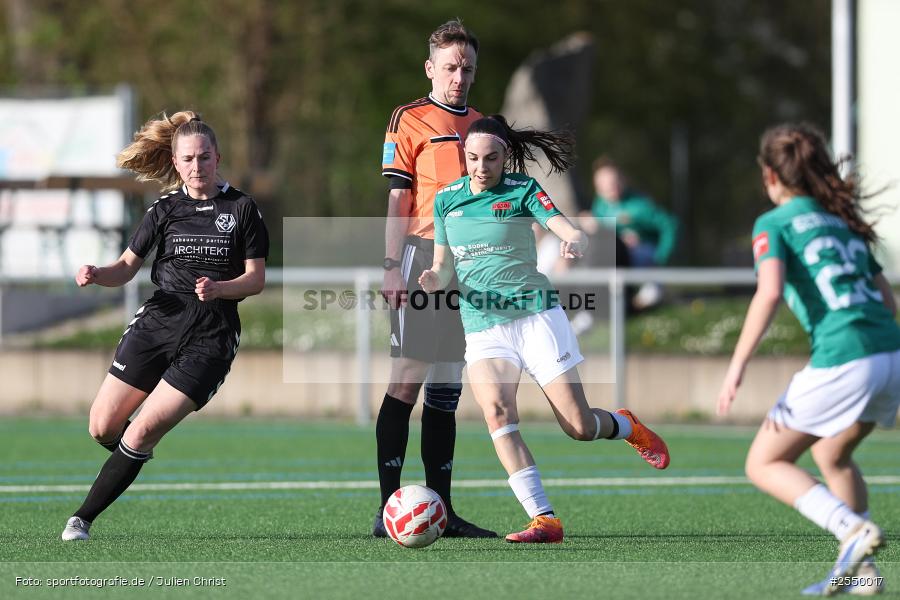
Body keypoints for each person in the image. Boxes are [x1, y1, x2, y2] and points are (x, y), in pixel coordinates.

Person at [419, 114, 670, 543]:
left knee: (579, 427)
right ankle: (544, 518)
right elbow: (444, 265)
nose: (482, 167)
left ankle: (625, 425)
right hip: (483, 327)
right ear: (465, 156)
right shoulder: (447, 200)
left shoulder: (522, 190)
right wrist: (434, 279)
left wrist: (576, 237)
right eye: (474, 158)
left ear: (505, 157)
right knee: (497, 412)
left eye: (492, 158)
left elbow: (561, 223)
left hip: (536, 317)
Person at [60, 111, 269, 541]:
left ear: (218, 158)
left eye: (205, 158)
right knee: (101, 427)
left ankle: (81, 519)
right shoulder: (165, 209)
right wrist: (99, 273)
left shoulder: (243, 208)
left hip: (211, 337)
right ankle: (132, 454)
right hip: (158, 323)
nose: (198, 166)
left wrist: (221, 288)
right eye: (189, 159)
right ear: (176, 163)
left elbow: (256, 279)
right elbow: (125, 266)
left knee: (141, 430)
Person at [717, 123, 899, 595]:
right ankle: (862, 573)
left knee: (762, 463)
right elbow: (887, 301)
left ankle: (851, 530)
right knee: (831, 453)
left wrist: (736, 365)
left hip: (844, 358)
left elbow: (769, 292)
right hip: (889, 354)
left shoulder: (773, 223)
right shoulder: (844, 219)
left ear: (770, 176)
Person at [374, 19, 495, 538]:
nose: (458, 77)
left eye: (466, 68)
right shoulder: (409, 118)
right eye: (450, 67)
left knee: (446, 391)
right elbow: (398, 197)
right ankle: (389, 509)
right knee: (406, 381)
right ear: (430, 68)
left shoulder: (484, 125)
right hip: (421, 261)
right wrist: (390, 265)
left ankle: (441, 510)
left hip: (469, 265)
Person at [586, 157, 678, 309]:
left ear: (622, 180)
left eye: (613, 181)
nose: (610, 186)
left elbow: (670, 225)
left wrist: (660, 257)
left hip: (642, 256)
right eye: (604, 184)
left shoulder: (639, 205)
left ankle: (653, 286)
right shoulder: (599, 206)